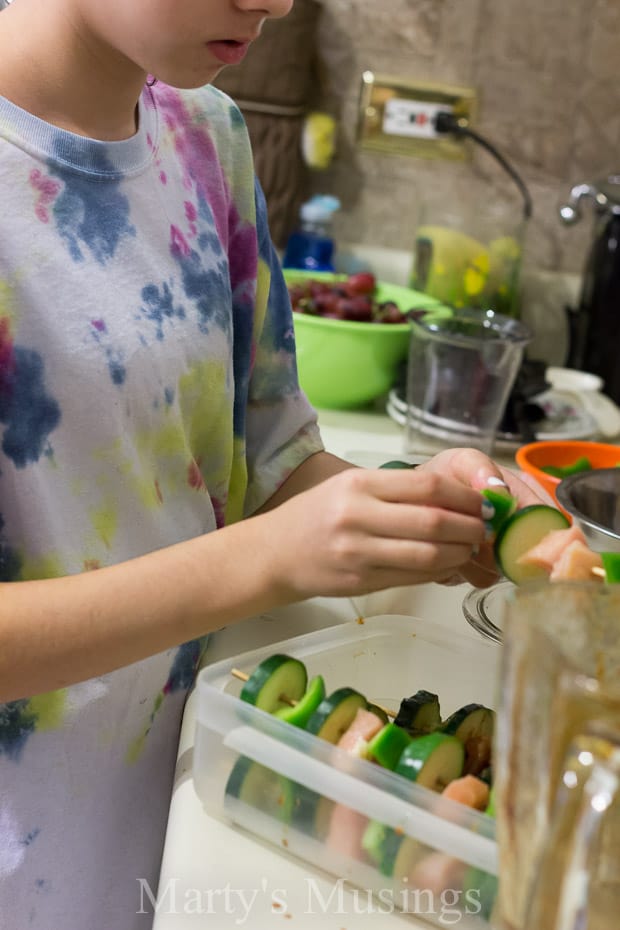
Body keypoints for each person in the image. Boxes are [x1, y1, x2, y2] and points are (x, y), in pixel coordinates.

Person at [0, 1, 541, 927]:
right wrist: (266, 559)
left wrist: (411, 508)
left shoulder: (207, 134)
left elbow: (272, 456)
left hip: (184, 808)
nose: (274, 2)